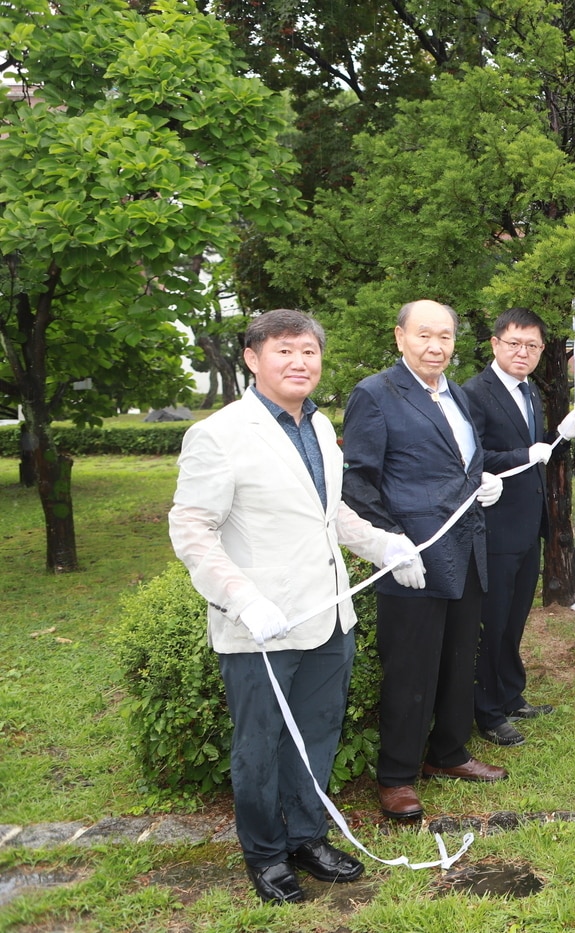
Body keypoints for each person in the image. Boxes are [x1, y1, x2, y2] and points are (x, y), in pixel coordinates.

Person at [170, 309, 421, 904]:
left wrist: (383, 543)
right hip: (260, 623)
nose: (298, 362)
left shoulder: (318, 426)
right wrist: (241, 597)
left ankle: (307, 836)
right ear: (253, 359)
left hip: (328, 614)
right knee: (259, 742)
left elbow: (328, 513)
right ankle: (264, 853)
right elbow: (192, 528)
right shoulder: (219, 434)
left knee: (316, 732)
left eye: (308, 351)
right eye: (284, 351)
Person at [341, 299, 507, 823]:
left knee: (460, 658)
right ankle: (396, 775)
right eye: (424, 335)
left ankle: (449, 752)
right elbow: (358, 482)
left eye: (446, 337)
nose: (436, 346)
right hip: (412, 554)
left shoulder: (453, 393)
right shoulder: (375, 394)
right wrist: (391, 543)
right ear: (400, 337)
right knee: (410, 668)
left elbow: (458, 461)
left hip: (466, 549)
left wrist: (482, 480)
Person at [463, 307, 575, 747]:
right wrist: (523, 455)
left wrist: (559, 436)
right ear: (495, 344)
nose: (524, 352)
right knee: (492, 621)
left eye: (532, 346)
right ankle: (488, 711)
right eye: (514, 343)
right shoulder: (474, 393)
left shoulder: (530, 391)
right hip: (494, 527)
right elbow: (472, 458)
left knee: (515, 618)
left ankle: (511, 693)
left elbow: (537, 448)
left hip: (526, 524)